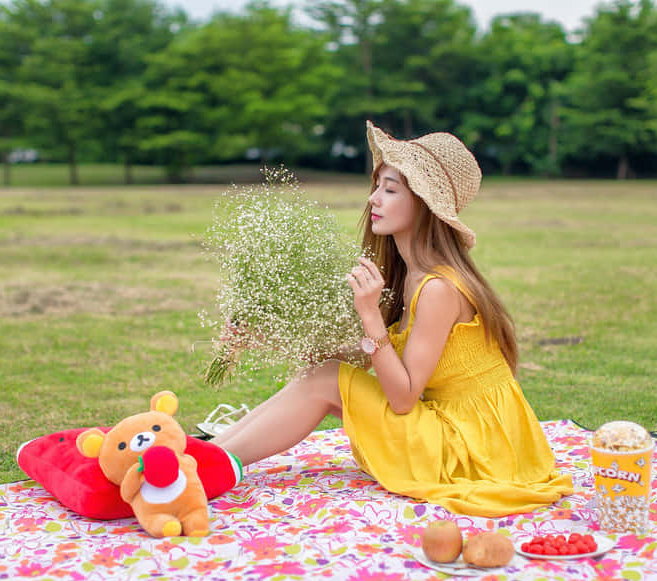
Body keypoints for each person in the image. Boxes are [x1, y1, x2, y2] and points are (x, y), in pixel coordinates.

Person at [211, 121, 573, 517]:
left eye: (390, 189)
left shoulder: (438, 288)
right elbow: (366, 360)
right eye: (377, 186)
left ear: (423, 204)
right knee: (324, 375)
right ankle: (206, 454)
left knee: (327, 378)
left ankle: (204, 465)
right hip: (456, 431)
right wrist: (268, 337)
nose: (373, 199)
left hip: (467, 449)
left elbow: (402, 398)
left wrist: (369, 316)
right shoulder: (410, 275)